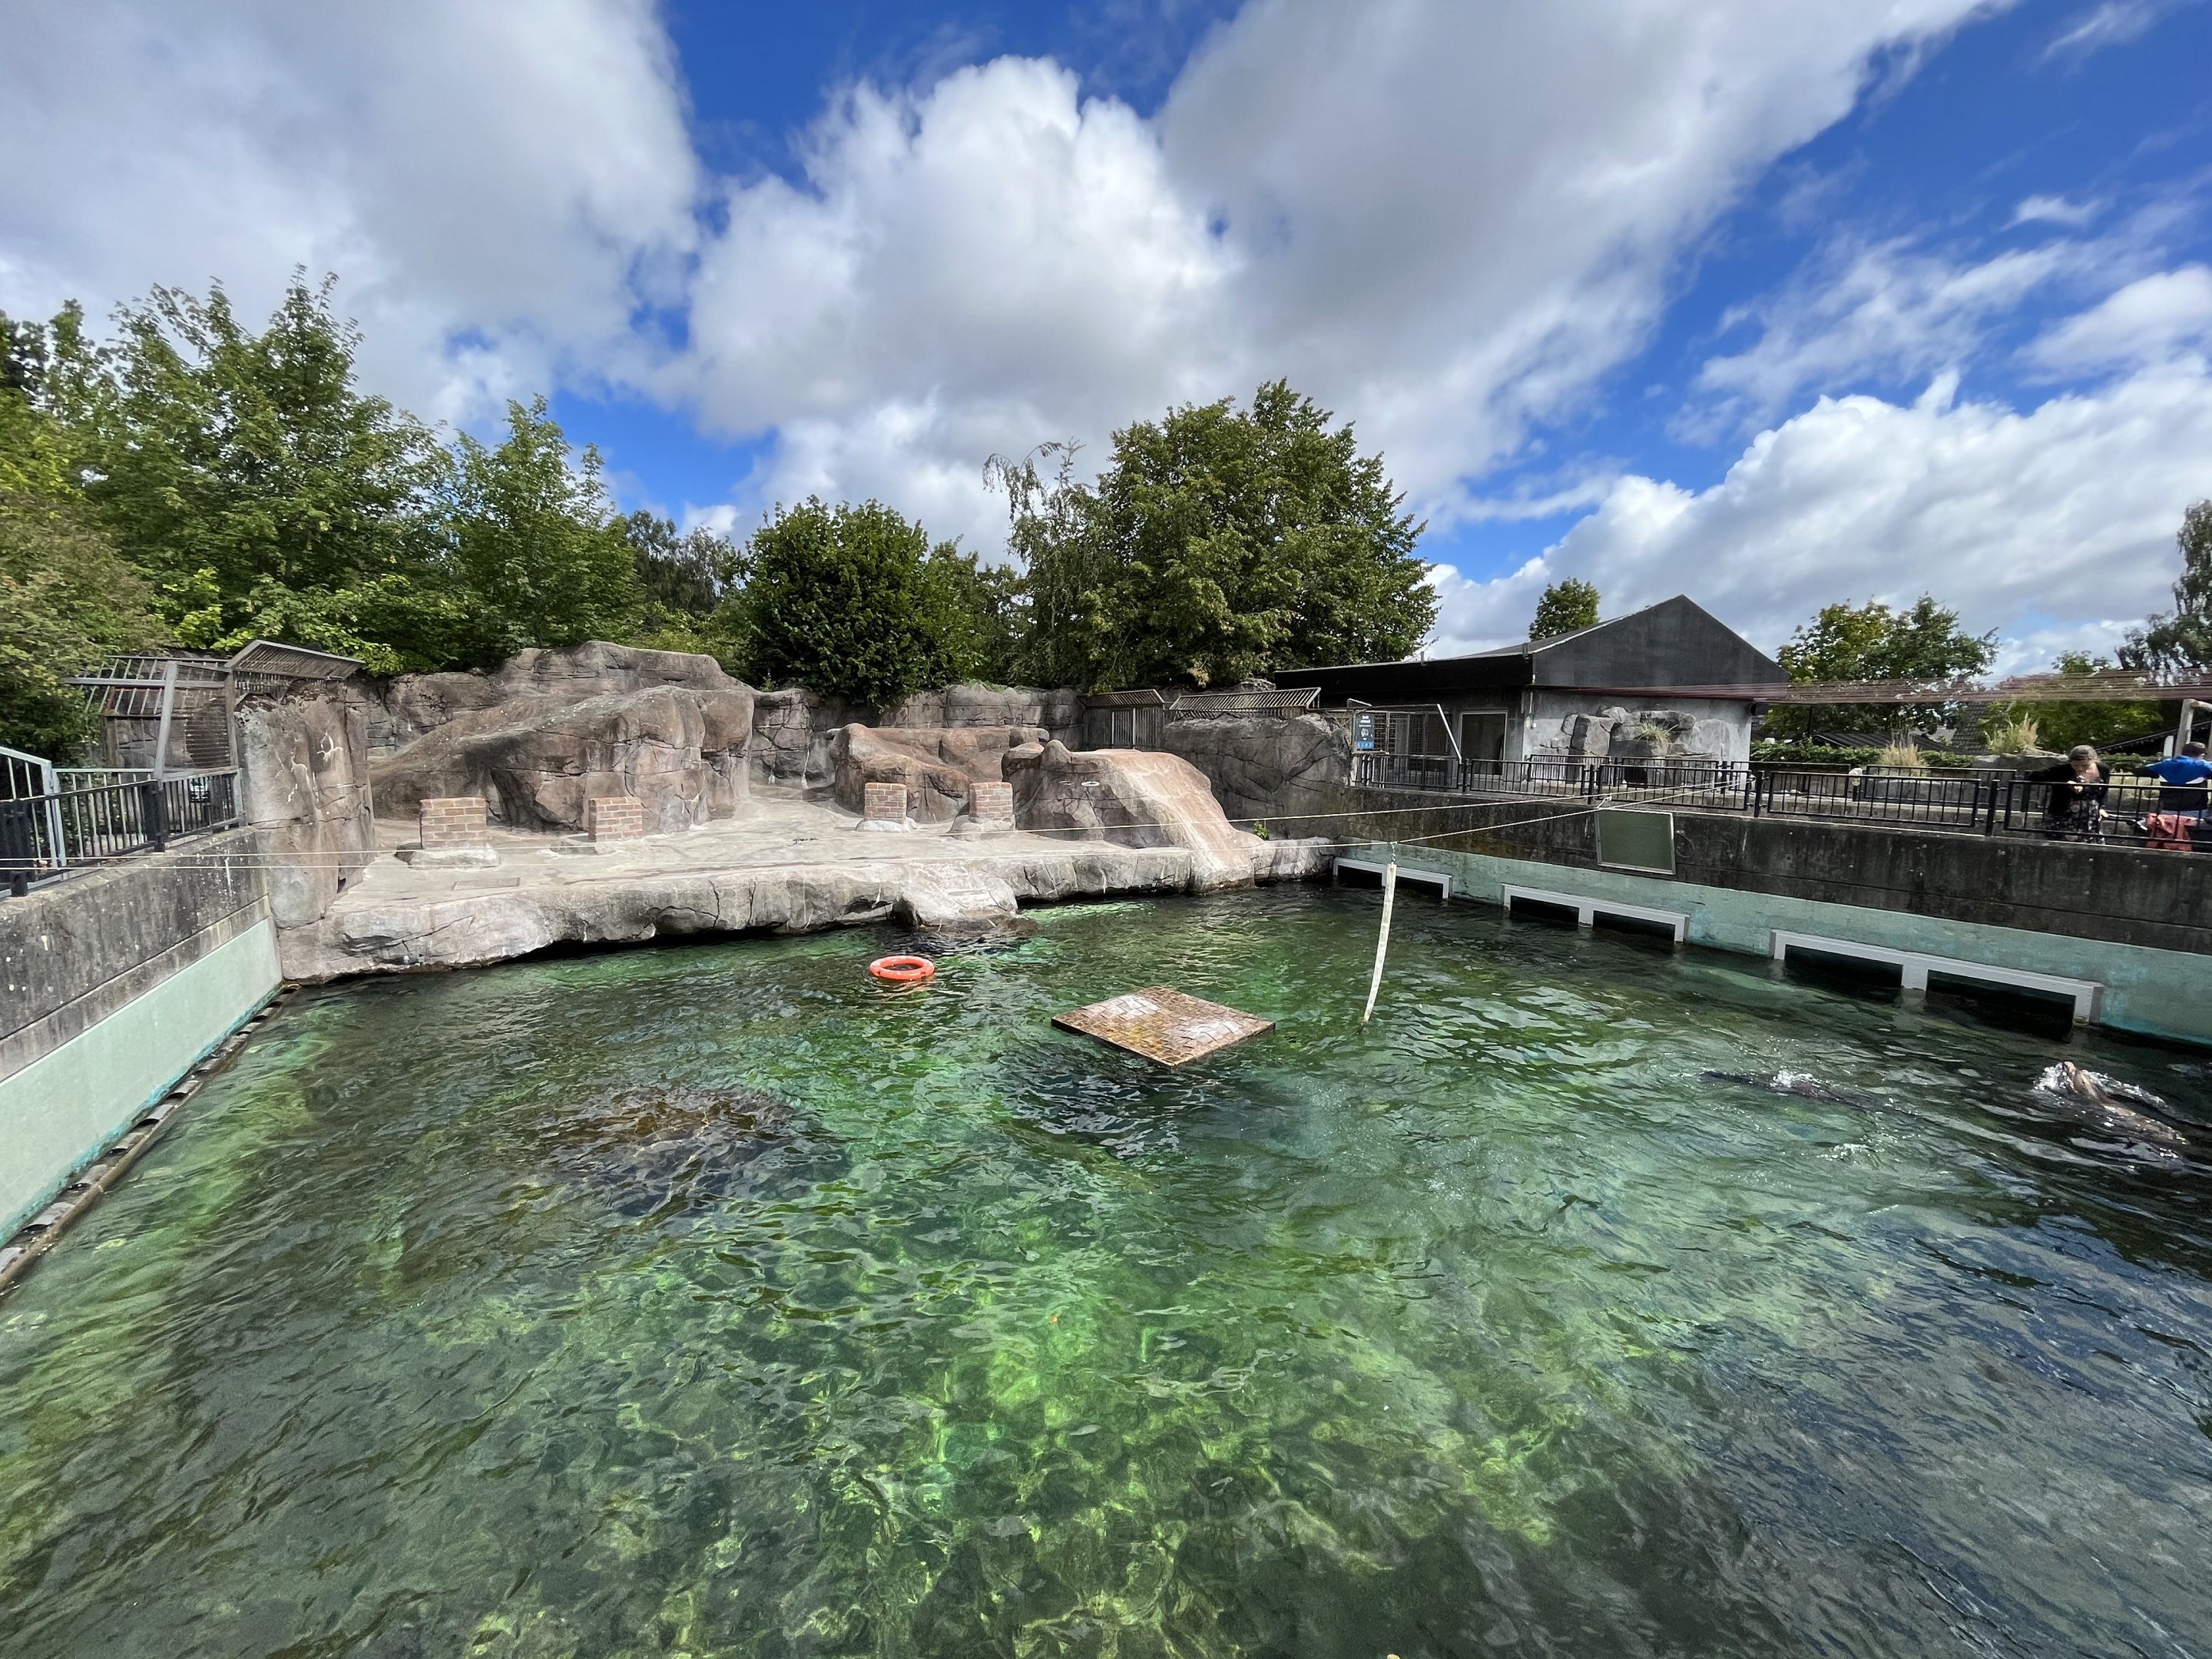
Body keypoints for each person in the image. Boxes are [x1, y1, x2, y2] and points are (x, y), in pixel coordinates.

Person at [2140, 740, 2212, 850]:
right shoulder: (2203, 766)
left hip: (2167, 811)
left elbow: (2139, 770)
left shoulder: (2164, 765)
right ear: (2201, 755)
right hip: (2195, 812)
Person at [2028, 744, 2109, 840]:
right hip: (2064, 817)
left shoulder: (2103, 769)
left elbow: (2104, 790)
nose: (2080, 768)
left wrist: (2102, 807)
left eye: (2085, 765)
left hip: (2091, 818)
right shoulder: (2063, 769)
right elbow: (2033, 776)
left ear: (2094, 760)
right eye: (2075, 765)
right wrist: (2066, 784)